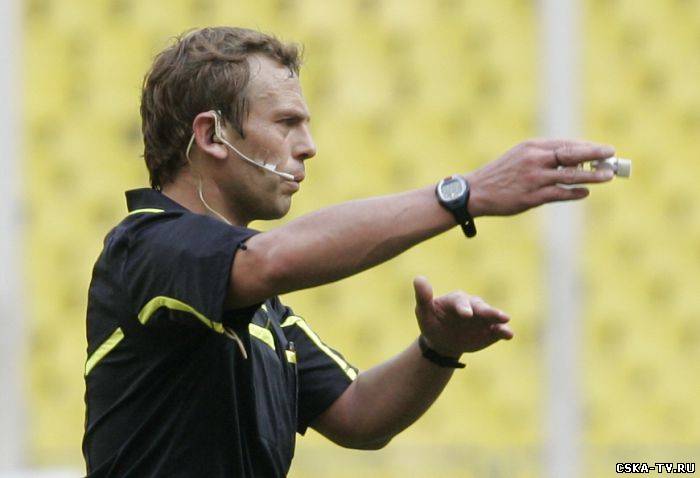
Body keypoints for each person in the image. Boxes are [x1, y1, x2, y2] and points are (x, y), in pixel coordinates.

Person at [82, 26, 615, 477]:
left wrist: (437, 349)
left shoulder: (261, 308)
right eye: (287, 122)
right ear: (212, 135)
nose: (308, 146)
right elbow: (272, 260)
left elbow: (359, 415)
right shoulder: (147, 247)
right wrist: (463, 195)